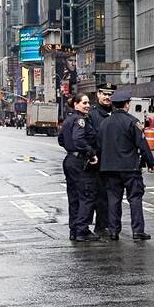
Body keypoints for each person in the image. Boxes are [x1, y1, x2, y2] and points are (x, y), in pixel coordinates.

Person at [95, 90, 154, 240]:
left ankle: (114, 231)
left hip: (109, 169)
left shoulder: (104, 123)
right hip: (129, 168)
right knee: (135, 199)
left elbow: (99, 146)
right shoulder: (132, 122)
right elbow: (142, 144)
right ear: (127, 105)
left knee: (113, 200)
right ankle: (137, 231)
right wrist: (150, 162)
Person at [58, 94, 98, 242]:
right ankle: (82, 230)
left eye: (88, 103)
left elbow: (61, 139)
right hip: (79, 162)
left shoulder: (68, 120)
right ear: (76, 105)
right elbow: (78, 139)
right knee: (87, 195)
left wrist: (71, 149)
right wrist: (91, 153)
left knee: (73, 196)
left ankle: (74, 230)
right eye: (84, 103)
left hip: (70, 160)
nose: (87, 105)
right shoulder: (80, 120)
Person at [87, 83, 116, 235]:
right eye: (104, 94)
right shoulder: (92, 115)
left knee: (114, 195)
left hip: (115, 162)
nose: (107, 97)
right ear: (98, 94)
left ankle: (111, 224)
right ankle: (100, 225)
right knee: (100, 195)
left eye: (110, 94)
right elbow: (89, 138)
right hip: (98, 162)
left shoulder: (117, 112)